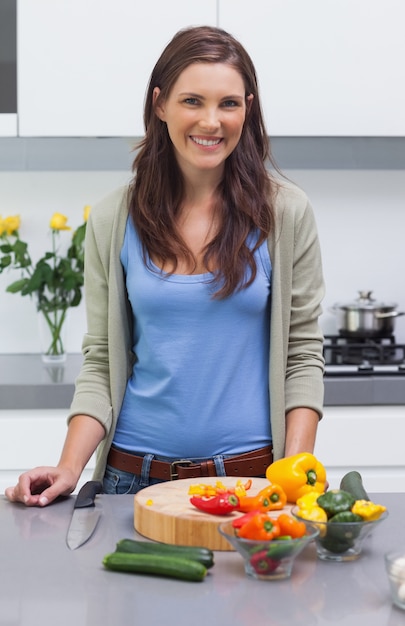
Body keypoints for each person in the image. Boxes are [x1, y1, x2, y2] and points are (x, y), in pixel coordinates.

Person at [6, 25, 325, 507]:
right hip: (130, 480)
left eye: (229, 103)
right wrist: (68, 466)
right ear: (160, 105)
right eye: (192, 101)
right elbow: (101, 360)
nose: (211, 121)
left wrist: (296, 478)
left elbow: (302, 355)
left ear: (249, 108)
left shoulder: (285, 213)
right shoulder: (116, 216)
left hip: (251, 481)